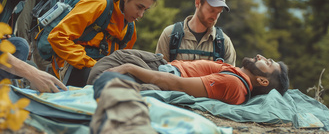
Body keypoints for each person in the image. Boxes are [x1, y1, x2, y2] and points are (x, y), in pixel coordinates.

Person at [48, 0, 159, 87]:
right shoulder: (99, 4)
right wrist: (93, 65)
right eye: (139, 7)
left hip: (101, 70)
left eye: (145, 10)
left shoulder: (130, 27)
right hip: (73, 66)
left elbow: (122, 58)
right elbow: (57, 36)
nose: (140, 15)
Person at [88, 49, 289, 105]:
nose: (261, 57)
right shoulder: (238, 76)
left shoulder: (233, 84)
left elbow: (177, 84)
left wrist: (129, 68)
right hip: (163, 65)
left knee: (104, 71)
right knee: (112, 64)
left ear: (262, 81)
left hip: (160, 73)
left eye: (268, 63)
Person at [155, 0, 237, 66]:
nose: (215, 17)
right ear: (197, 2)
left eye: (219, 12)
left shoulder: (224, 43)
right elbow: (159, 73)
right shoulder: (170, 35)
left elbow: (230, 77)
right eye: (211, 10)